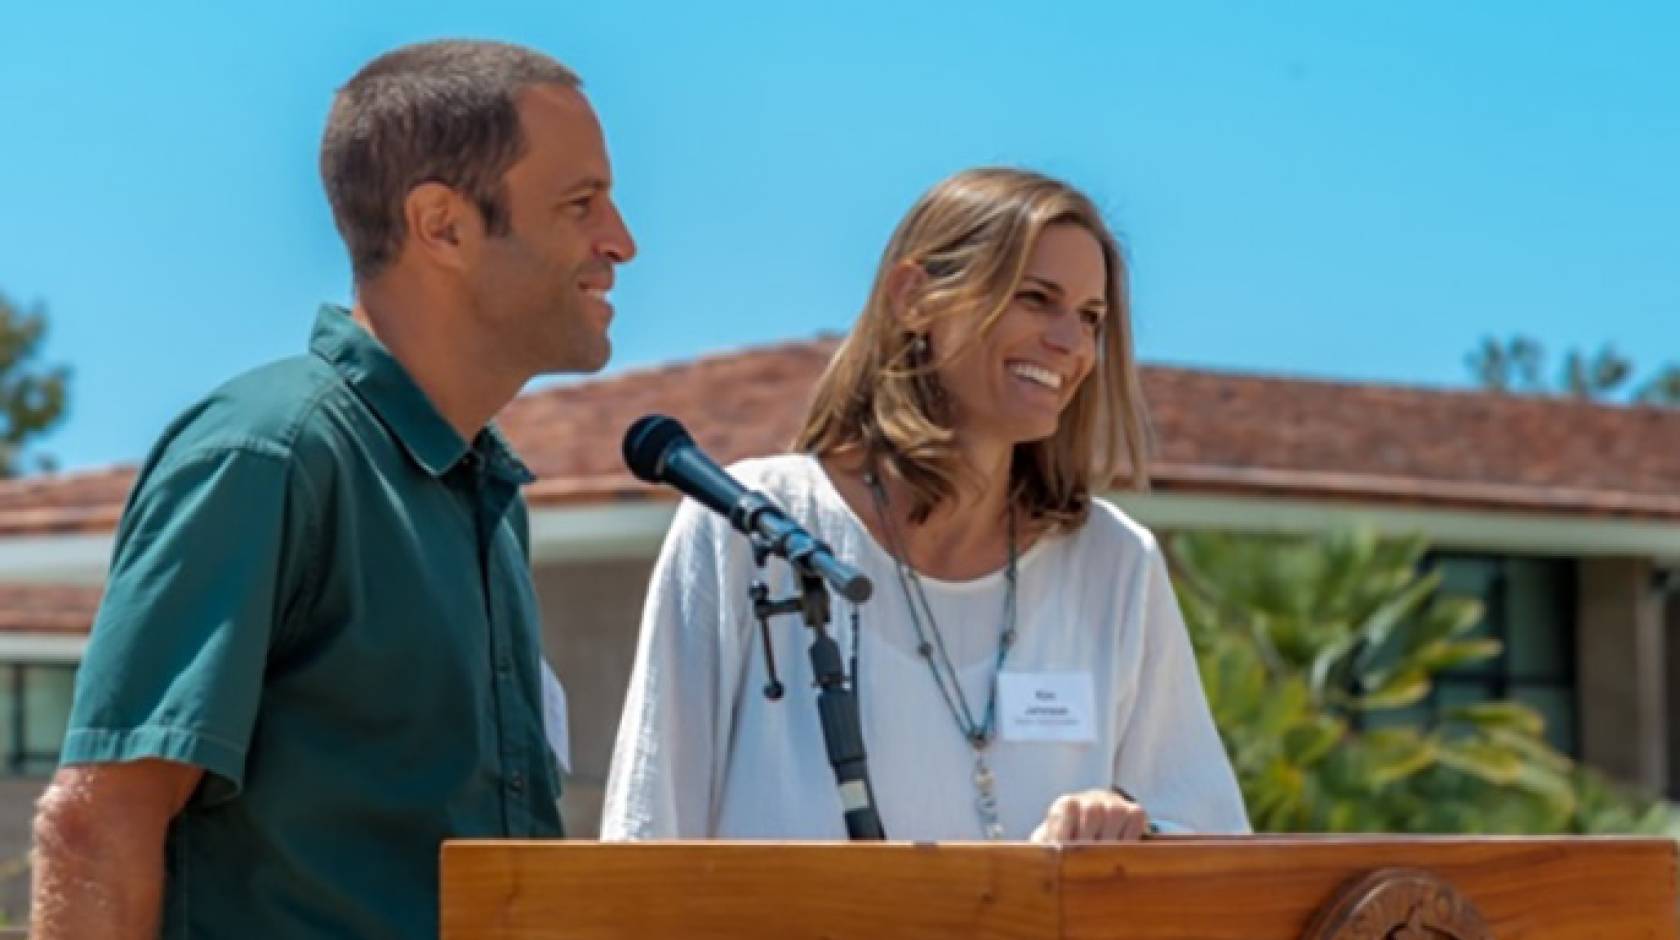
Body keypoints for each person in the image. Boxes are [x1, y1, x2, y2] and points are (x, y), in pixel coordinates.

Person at [30, 39, 635, 939]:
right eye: (580, 204)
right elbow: (96, 827)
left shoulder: (485, 496)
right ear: (442, 224)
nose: (620, 241)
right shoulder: (266, 457)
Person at [602, 167, 1246, 842]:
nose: (1071, 343)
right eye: (1035, 298)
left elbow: (1210, 844)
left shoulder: (1115, 562)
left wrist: (1131, 832)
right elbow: (647, 829)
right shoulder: (751, 526)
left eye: (1091, 317)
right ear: (913, 298)